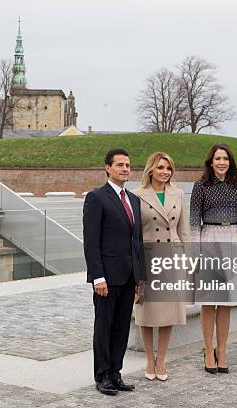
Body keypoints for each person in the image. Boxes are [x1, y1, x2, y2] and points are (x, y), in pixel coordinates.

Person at [83, 148, 145, 396]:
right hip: (106, 278)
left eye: (128, 165)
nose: (125, 169)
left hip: (129, 276)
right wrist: (97, 276)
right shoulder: (97, 198)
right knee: (104, 327)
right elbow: (91, 242)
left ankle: (116, 374)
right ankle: (102, 376)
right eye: (120, 165)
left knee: (121, 327)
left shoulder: (134, 200)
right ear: (107, 168)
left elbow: (136, 241)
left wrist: (140, 277)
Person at [190, 143, 237, 374]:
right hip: (209, 240)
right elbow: (194, 222)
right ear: (211, 162)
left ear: (230, 162)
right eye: (217, 159)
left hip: (232, 239)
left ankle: (222, 350)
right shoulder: (200, 186)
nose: (221, 162)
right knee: (209, 301)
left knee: (225, 302)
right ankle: (207, 349)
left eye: (225, 158)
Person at [132, 152, 190, 382]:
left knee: (169, 312)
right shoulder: (136, 195)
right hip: (147, 258)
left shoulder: (179, 194)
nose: (165, 172)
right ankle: (149, 359)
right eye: (160, 168)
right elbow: (133, 233)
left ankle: (162, 359)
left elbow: (184, 230)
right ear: (150, 170)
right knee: (146, 311)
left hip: (172, 258)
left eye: (168, 168)